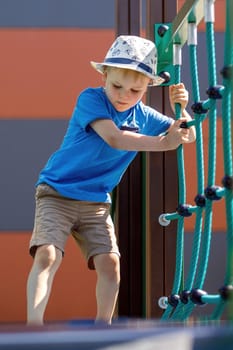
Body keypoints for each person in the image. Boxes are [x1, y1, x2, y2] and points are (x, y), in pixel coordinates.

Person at [26, 35, 196, 325]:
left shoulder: (143, 115)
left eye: (135, 90)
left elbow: (188, 135)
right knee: (48, 254)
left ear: (145, 88)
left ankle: (102, 328)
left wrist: (183, 109)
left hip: (95, 202)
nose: (124, 95)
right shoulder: (91, 99)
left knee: (111, 264)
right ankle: (34, 324)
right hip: (57, 191)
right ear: (105, 75)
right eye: (117, 86)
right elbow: (115, 138)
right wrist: (163, 143)